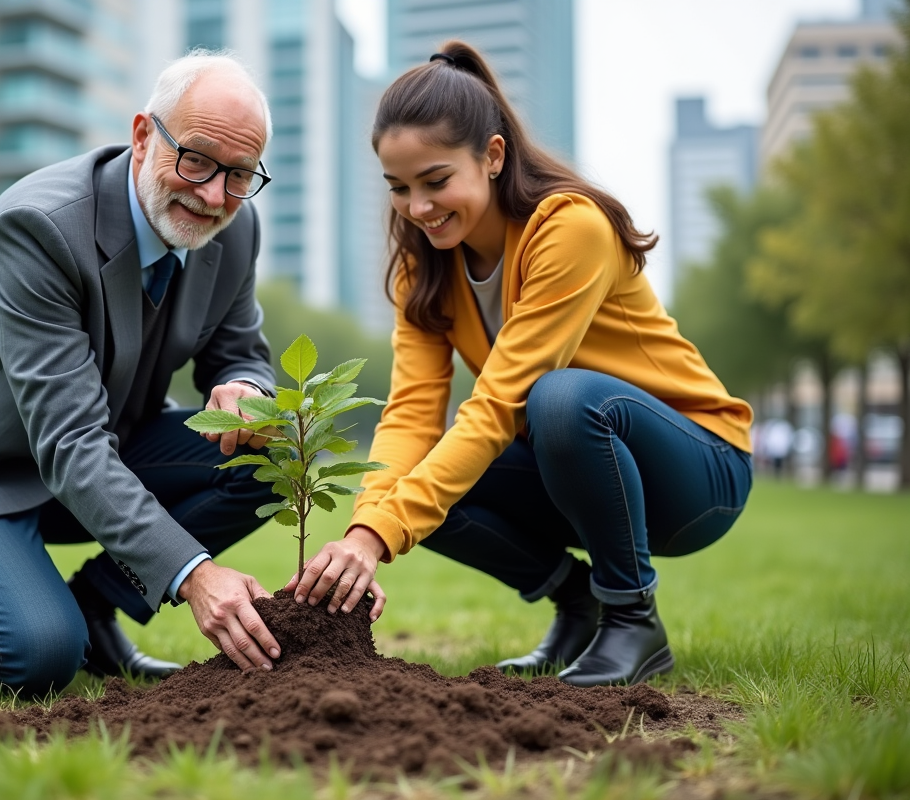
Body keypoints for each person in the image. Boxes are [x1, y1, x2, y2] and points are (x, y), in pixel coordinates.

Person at [283, 42, 754, 687]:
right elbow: (413, 414)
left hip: (696, 475)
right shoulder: (424, 268)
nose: (418, 208)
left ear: (494, 156)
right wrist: (368, 526)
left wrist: (378, 536)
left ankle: (632, 620)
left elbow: (502, 400)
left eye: (436, 180)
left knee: (559, 398)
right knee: (419, 480)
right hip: (576, 471)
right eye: (399, 188)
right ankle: (580, 602)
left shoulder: (570, 227)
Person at [0, 52, 289, 696]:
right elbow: (71, 444)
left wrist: (249, 389)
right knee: (40, 657)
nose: (214, 195)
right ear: (142, 135)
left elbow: (239, 348)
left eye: (239, 174)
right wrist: (192, 573)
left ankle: (97, 606)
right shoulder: (39, 229)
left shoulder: (235, 230)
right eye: (197, 160)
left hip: (98, 449)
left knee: (270, 458)